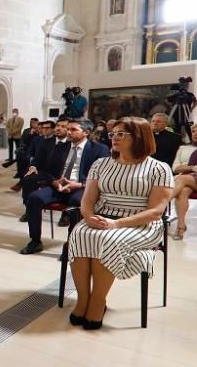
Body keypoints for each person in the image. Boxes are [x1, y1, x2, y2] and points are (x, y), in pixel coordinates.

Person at [67, 117, 173, 329]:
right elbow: (87, 199)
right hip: (102, 216)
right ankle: (83, 299)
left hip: (140, 223)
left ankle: (98, 302)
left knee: (107, 239)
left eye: (121, 134)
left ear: (140, 137)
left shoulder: (158, 168)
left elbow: (156, 211)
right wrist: (88, 217)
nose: (114, 138)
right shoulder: (101, 164)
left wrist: (118, 224)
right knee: (79, 234)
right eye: (112, 134)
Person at [19, 119, 109, 254]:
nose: (69, 132)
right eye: (68, 129)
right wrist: (55, 182)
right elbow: (47, 171)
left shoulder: (99, 149)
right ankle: (35, 241)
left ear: (86, 132)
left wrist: (78, 184)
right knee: (34, 198)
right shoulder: (61, 147)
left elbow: (103, 176)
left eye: (73, 130)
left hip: (82, 187)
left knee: (76, 202)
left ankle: (71, 245)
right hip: (59, 186)